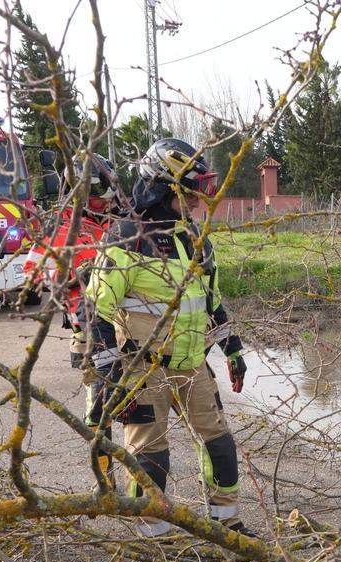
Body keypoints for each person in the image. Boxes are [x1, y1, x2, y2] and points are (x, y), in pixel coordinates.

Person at [85, 137, 252, 537]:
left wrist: (233, 350)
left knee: (220, 444)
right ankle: (152, 532)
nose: (197, 201)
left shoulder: (195, 238)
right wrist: (107, 376)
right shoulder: (127, 236)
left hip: (192, 363)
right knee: (152, 454)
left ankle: (226, 524)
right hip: (143, 368)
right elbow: (96, 310)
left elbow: (212, 303)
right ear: (162, 189)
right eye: (189, 193)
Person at [24, 152, 120, 485]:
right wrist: (73, 279)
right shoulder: (59, 225)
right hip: (89, 328)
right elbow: (34, 273)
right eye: (97, 196)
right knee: (99, 404)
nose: (105, 202)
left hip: (127, 324)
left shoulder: (117, 221)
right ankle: (105, 476)